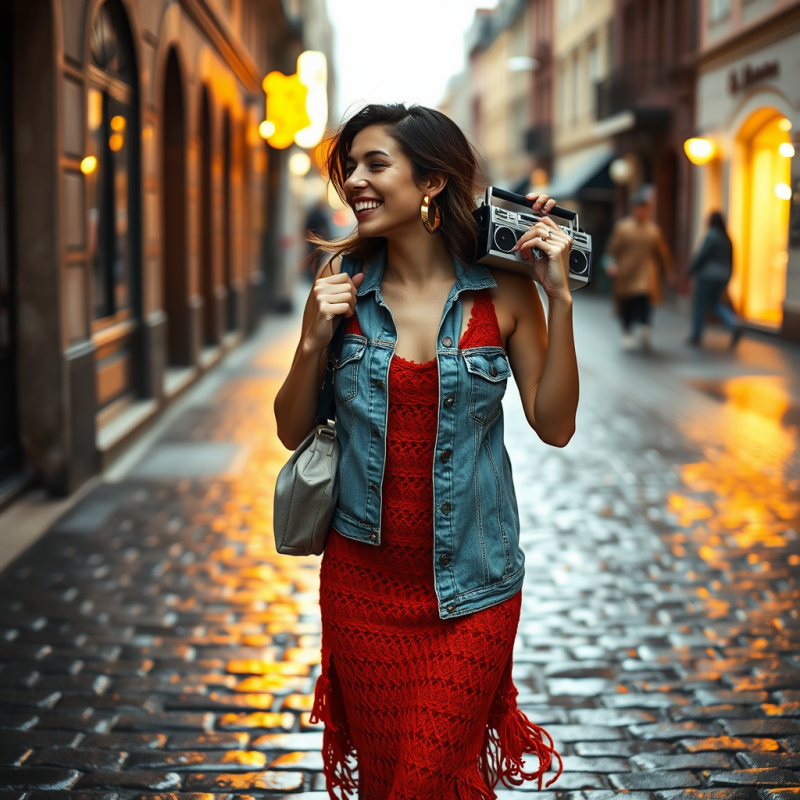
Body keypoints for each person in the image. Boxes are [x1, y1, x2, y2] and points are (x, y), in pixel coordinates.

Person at [274, 103, 577, 799]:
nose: (355, 180)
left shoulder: (502, 292)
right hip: (364, 591)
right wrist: (313, 342)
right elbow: (292, 429)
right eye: (349, 167)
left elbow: (555, 425)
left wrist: (558, 300)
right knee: (391, 785)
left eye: (376, 164)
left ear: (432, 183)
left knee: (427, 778)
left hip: (472, 589)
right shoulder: (338, 291)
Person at [605, 191, 671, 351]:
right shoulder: (622, 227)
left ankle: (645, 328)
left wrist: (668, 271)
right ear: (633, 209)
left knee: (645, 301)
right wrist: (611, 263)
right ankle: (627, 332)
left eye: (644, 209)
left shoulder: (653, 230)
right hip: (626, 273)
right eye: (638, 208)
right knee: (627, 304)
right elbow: (611, 249)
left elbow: (662, 253)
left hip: (647, 274)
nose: (641, 212)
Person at [687, 210, 741, 347]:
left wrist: (691, 270)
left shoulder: (711, 236)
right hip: (722, 276)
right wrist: (728, 277)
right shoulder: (727, 239)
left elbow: (702, 256)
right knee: (715, 303)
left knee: (700, 305)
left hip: (707, 276)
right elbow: (732, 260)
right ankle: (733, 324)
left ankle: (696, 335)